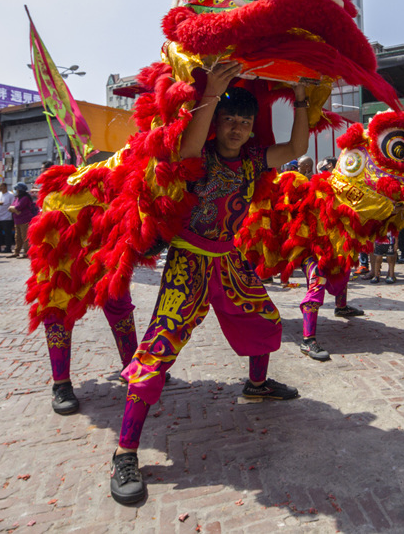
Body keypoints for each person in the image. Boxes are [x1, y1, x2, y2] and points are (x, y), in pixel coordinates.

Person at [110, 63, 305, 505]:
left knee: (265, 319)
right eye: (230, 120)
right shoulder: (200, 156)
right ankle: (125, 452)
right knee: (158, 348)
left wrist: (301, 97)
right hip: (189, 262)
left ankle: (256, 386)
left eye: (245, 122)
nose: (237, 128)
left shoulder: (255, 159)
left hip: (229, 259)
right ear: (217, 122)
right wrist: (214, 91)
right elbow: (189, 148)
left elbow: (295, 144)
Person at [9, 182, 38, 258]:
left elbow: (17, 207)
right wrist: (14, 210)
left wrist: (14, 209)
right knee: (17, 237)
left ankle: (26, 253)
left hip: (25, 221)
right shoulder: (17, 198)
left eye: (16, 189)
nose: (15, 191)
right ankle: (16, 252)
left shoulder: (25, 198)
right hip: (17, 221)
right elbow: (11, 207)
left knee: (25, 237)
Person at [0, 182, 15, 253]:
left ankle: (8, 248)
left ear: (5, 186)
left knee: (7, 234)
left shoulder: (10, 195)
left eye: (1, 186)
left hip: (7, 218)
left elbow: (13, 205)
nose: (0, 188)